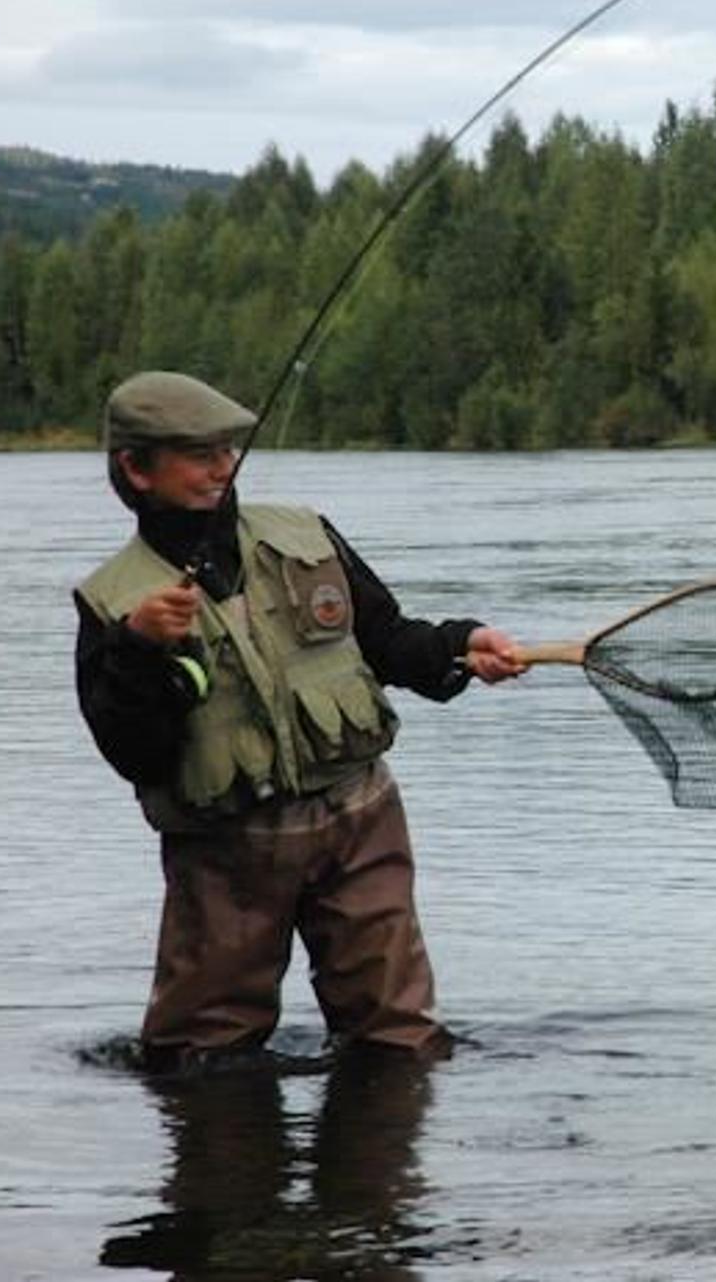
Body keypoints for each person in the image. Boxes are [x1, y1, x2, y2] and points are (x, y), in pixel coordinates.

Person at [73, 370, 525, 1073]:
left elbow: (390, 640)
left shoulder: (306, 534)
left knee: (399, 1042)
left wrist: (464, 648)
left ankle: (379, 1178)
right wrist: (137, 649)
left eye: (229, 449)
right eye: (199, 454)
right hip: (224, 850)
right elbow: (134, 752)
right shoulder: (114, 604)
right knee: (198, 1062)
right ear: (136, 468)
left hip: (360, 821)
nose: (224, 466)